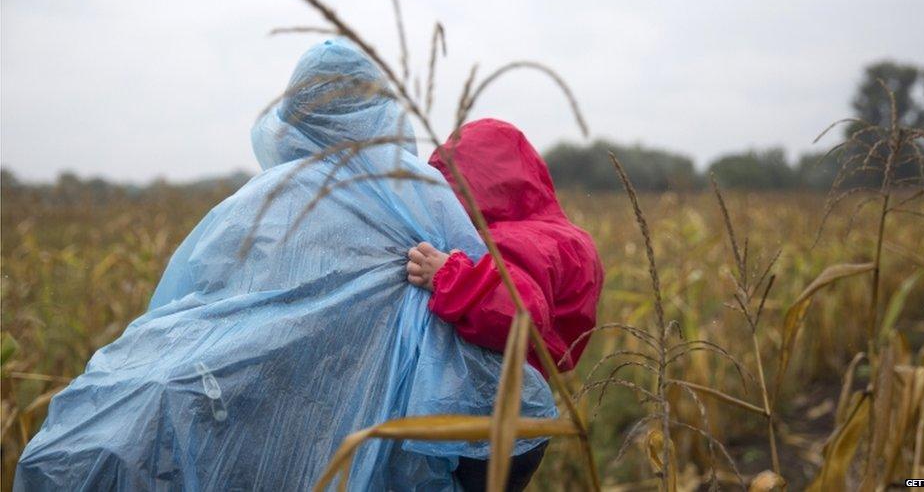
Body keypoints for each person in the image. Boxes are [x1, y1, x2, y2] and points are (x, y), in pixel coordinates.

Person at [15, 40, 556, 491]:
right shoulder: (422, 192)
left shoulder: (254, 203)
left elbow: (202, 305)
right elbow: (493, 307)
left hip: (274, 411)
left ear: (295, 118)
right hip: (396, 431)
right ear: (382, 110)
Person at [406, 118, 605, 489]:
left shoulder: (511, 242)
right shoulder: (557, 235)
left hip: (492, 425)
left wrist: (450, 275)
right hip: (520, 419)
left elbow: (521, 314)